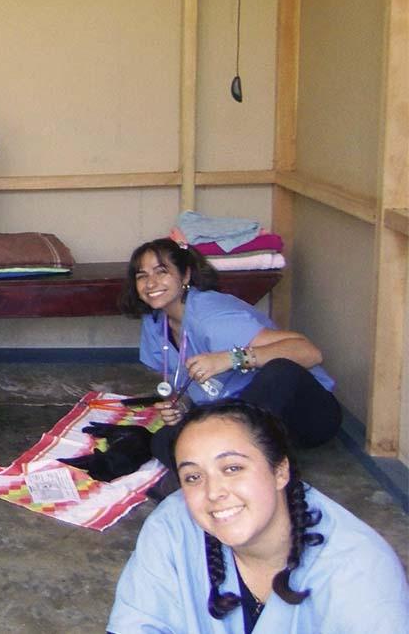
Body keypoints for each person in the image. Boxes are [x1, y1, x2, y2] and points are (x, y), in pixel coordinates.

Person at [108, 400, 409, 633]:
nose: (213, 492)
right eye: (193, 476)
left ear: (280, 471)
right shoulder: (173, 525)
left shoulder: (359, 571)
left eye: (233, 468)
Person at [119, 238, 341, 471]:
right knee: (163, 440)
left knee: (279, 372)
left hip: (304, 416)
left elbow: (309, 352)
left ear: (185, 276)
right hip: (237, 414)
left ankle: (238, 459)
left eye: (161, 272)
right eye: (141, 276)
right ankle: (236, 454)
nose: (150, 283)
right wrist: (181, 407)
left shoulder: (212, 318)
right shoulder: (155, 321)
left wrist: (230, 358)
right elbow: (180, 384)